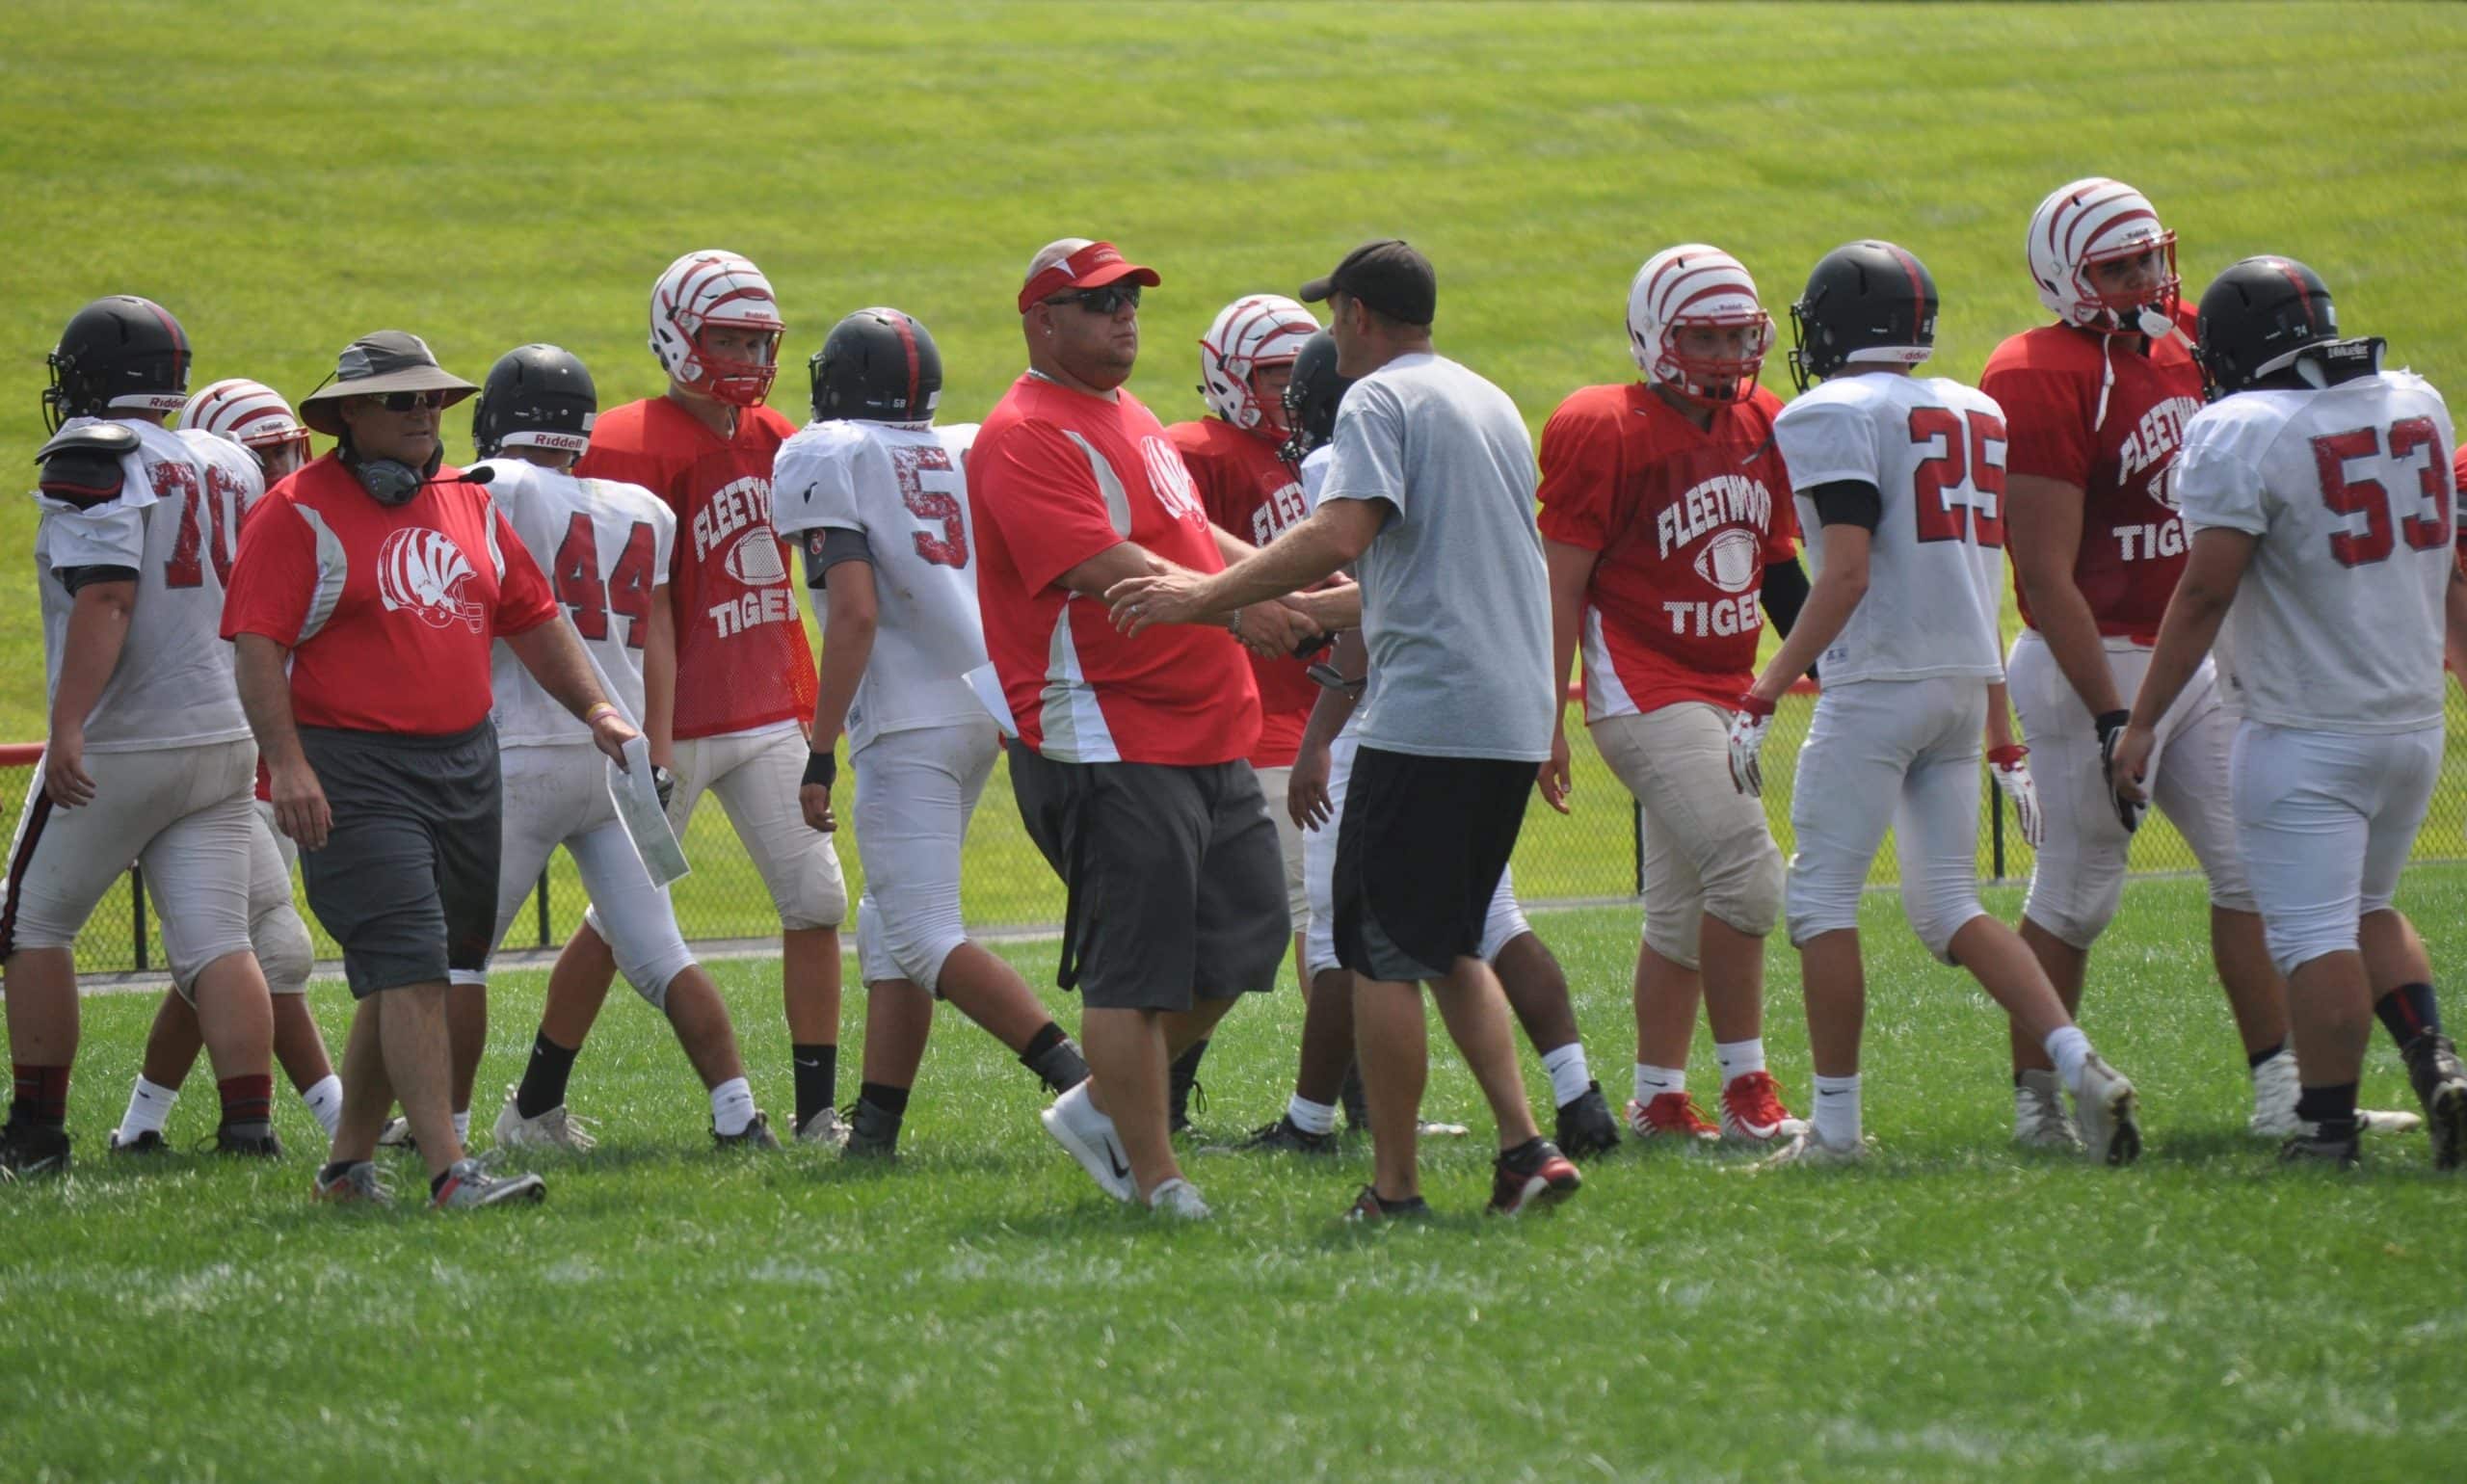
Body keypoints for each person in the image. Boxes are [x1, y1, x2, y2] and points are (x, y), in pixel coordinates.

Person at [1108, 238, 1583, 1220]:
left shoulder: (1377, 400)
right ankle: (1526, 1149)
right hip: (1511, 710)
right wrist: (1292, 610)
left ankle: (1396, 1187)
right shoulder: (1488, 399)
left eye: (1334, 316)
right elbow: (1408, 581)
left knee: (1373, 952)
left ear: (1360, 316)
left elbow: (1338, 534)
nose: (1329, 336)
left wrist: (1202, 598)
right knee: (1451, 942)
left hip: (1431, 712)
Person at [1980, 179, 2406, 1146]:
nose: (2144, 279)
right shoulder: (2035, 372)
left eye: (2149, 258)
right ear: (2064, 277)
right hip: (2086, 662)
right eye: (2116, 267)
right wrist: (2108, 714)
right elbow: (2044, 573)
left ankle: (2285, 1092)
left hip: (2187, 657)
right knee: (2076, 894)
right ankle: (2037, 1104)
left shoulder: (2184, 345)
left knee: (2252, 870)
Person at [1732, 241, 2141, 1165]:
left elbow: (1844, 575)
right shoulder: (1975, 409)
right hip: (1961, 683)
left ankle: (1836, 1132)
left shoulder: (1830, 410)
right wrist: (2001, 736)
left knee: (1820, 901)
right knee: (1950, 905)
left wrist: (1763, 690)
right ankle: (2076, 1062)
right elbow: (1974, 579)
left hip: (1878, 683)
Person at [223, 329, 634, 1208]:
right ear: (348, 416)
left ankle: (345, 1170)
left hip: (465, 761)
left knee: (408, 968)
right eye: (400, 399)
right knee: (411, 963)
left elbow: (534, 616)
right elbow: (256, 647)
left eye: (432, 398)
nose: (423, 413)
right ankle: (451, 1171)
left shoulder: (467, 502)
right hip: (355, 768)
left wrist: (597, 708)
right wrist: (287, 765)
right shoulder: (296, 512)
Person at [2112, 256, 2467, 1167]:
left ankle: (2326, 1128)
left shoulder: (2240, 429)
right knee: (2371, 908)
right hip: (2411, 722)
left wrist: (2142, 721)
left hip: (2306, 728)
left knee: (2313, 934)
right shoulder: (2416, 402)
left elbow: (2204, 593)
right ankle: (2437, 1065)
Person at [968, 237, 1295, 1219]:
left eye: (1130, 300)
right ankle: (1157, 1178)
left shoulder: (1130, 414)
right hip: (1108, 731)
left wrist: (1274, 578)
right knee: (1133, 972)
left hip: (1203, 725)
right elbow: (1105, 565)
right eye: (1099, 301)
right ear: (1042, 320)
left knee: (1247, 936)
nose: (1123, 316)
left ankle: (1100, 1104)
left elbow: (1187, 535)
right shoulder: (1023, 432)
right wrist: (1239, 608)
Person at [1234, 331, 1619, 1163]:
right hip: (1489, 712)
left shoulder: (1348, 449)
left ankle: (1320, 1128)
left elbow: (1363, 610)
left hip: (1397, 727)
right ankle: (1572, 1100)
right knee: (1486, 924)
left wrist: (1312, 724)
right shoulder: (1481, 423)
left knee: (1350, 937)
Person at [771, 307, 1092, 1159]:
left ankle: (1095, 1088)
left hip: (907, 716)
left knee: (919, 932)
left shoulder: (826, 452)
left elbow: (854, 611)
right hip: (983, 703)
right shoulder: (966, 443)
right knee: (889, 926)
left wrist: (820, 749)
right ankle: (873, 1133)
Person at [550, 250, 848, 1146]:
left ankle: (818, 1112)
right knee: (618, 923)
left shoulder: (778, 436)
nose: (748, 360)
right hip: (668, 723)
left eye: (758, 342)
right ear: (676, 336)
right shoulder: (627, 444)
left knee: (817, 901)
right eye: (726, 339)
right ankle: (534, 1103)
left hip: (765, 708)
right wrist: (650, 735)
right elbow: (642, 608)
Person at [456, 344, 780, 1153]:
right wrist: (655, 747)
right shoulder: (642, 508)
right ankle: (738, 1114)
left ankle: (443, 1133)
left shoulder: (496, 484)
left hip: (526, 745)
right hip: (617, 755)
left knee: (455, 962)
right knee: (662, 954)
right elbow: (658, 633)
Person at [1535, 244, 1810, 1149]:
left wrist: (1831, 660)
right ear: (1655, 336)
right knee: (1748, 875)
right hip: (1643, 687)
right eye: (1704, 337)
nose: (1727, 356)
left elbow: (1776, 567)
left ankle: (1658, 1100)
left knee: (1683, 912)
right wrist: (1547, 716)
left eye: (1738, 336)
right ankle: (1746, 1088)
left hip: (1727, 686)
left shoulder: (1763, 419)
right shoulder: (1603, 425)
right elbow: (1561, 585)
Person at [3, 299, 280, 1176]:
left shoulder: (94, 456)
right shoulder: (229, 459)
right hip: (225, 731)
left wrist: (67, 724)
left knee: (30, 924)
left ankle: (36, 1135)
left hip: (127, 736)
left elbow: (108, 596)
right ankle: (248, 1132)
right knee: (218, 941)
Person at [109, 379, 341, 1154]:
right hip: (223, 769)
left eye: (288, 450)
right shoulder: (202, 548)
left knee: (211, 963)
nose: (282, 468)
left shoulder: (295, 529)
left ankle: (140, 1126)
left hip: (272, 769)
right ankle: (340, 1120)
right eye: (263, 454)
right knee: (269, 952)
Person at [1160, 293, 1324, 1134]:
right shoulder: (1198, 451)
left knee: (1284, 921)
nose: (1291, 390)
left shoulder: (1327, 451)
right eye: (1272, 374)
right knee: (1309, 917)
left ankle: (1156, 1095)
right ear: (1227, 376)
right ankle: (1344, 1103)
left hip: (1322, 709)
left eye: (1301, 371)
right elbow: (1173, 559)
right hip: (1254, 720)